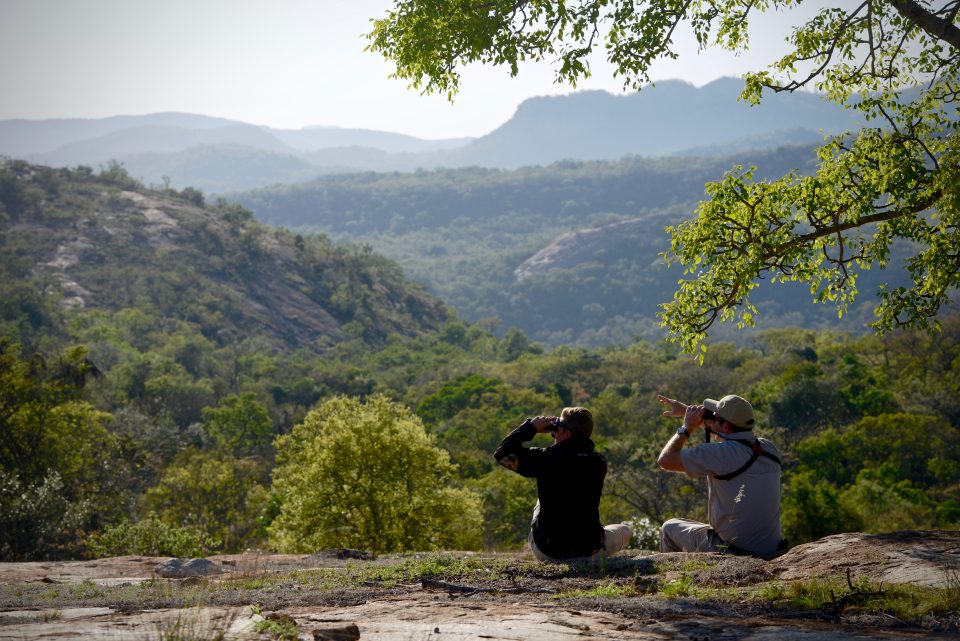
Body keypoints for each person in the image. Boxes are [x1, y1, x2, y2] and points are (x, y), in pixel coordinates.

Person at [494, 406, 632, 562]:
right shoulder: (599, 462)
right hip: (590, 551)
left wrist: (530, 427)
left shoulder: (546, 458)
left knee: (542, 500)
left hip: (549, 552)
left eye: (556, 429)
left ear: (567, 433)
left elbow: (502, 454)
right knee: (625, 531)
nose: (553, 433)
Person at [656, 393, 784, 558]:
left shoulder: (719, 454)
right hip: (770, 548)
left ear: (725, 427)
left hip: (735, 551)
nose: (711, 419)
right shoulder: (769, 448)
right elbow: (729, 431)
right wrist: (687, 410)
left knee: (669, 528)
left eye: (715, 417)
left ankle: (677, 577)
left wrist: (686, 428)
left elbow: (665, 460)